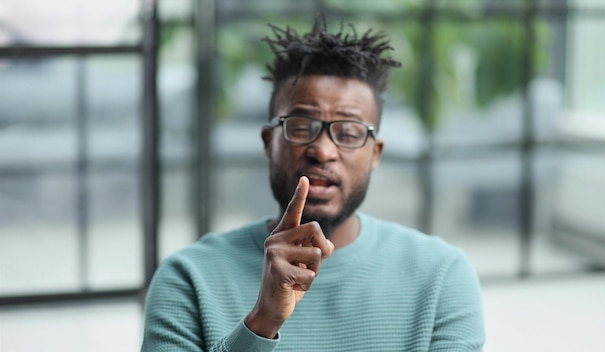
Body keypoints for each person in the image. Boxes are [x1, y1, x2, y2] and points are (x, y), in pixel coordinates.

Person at [141, 15, 485, 352]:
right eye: (302, 127)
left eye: (349, 132)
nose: (322, 150)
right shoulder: (188, 278)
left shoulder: (441, 276)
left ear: (375, 154)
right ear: (267, 143)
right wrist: (263, 322)